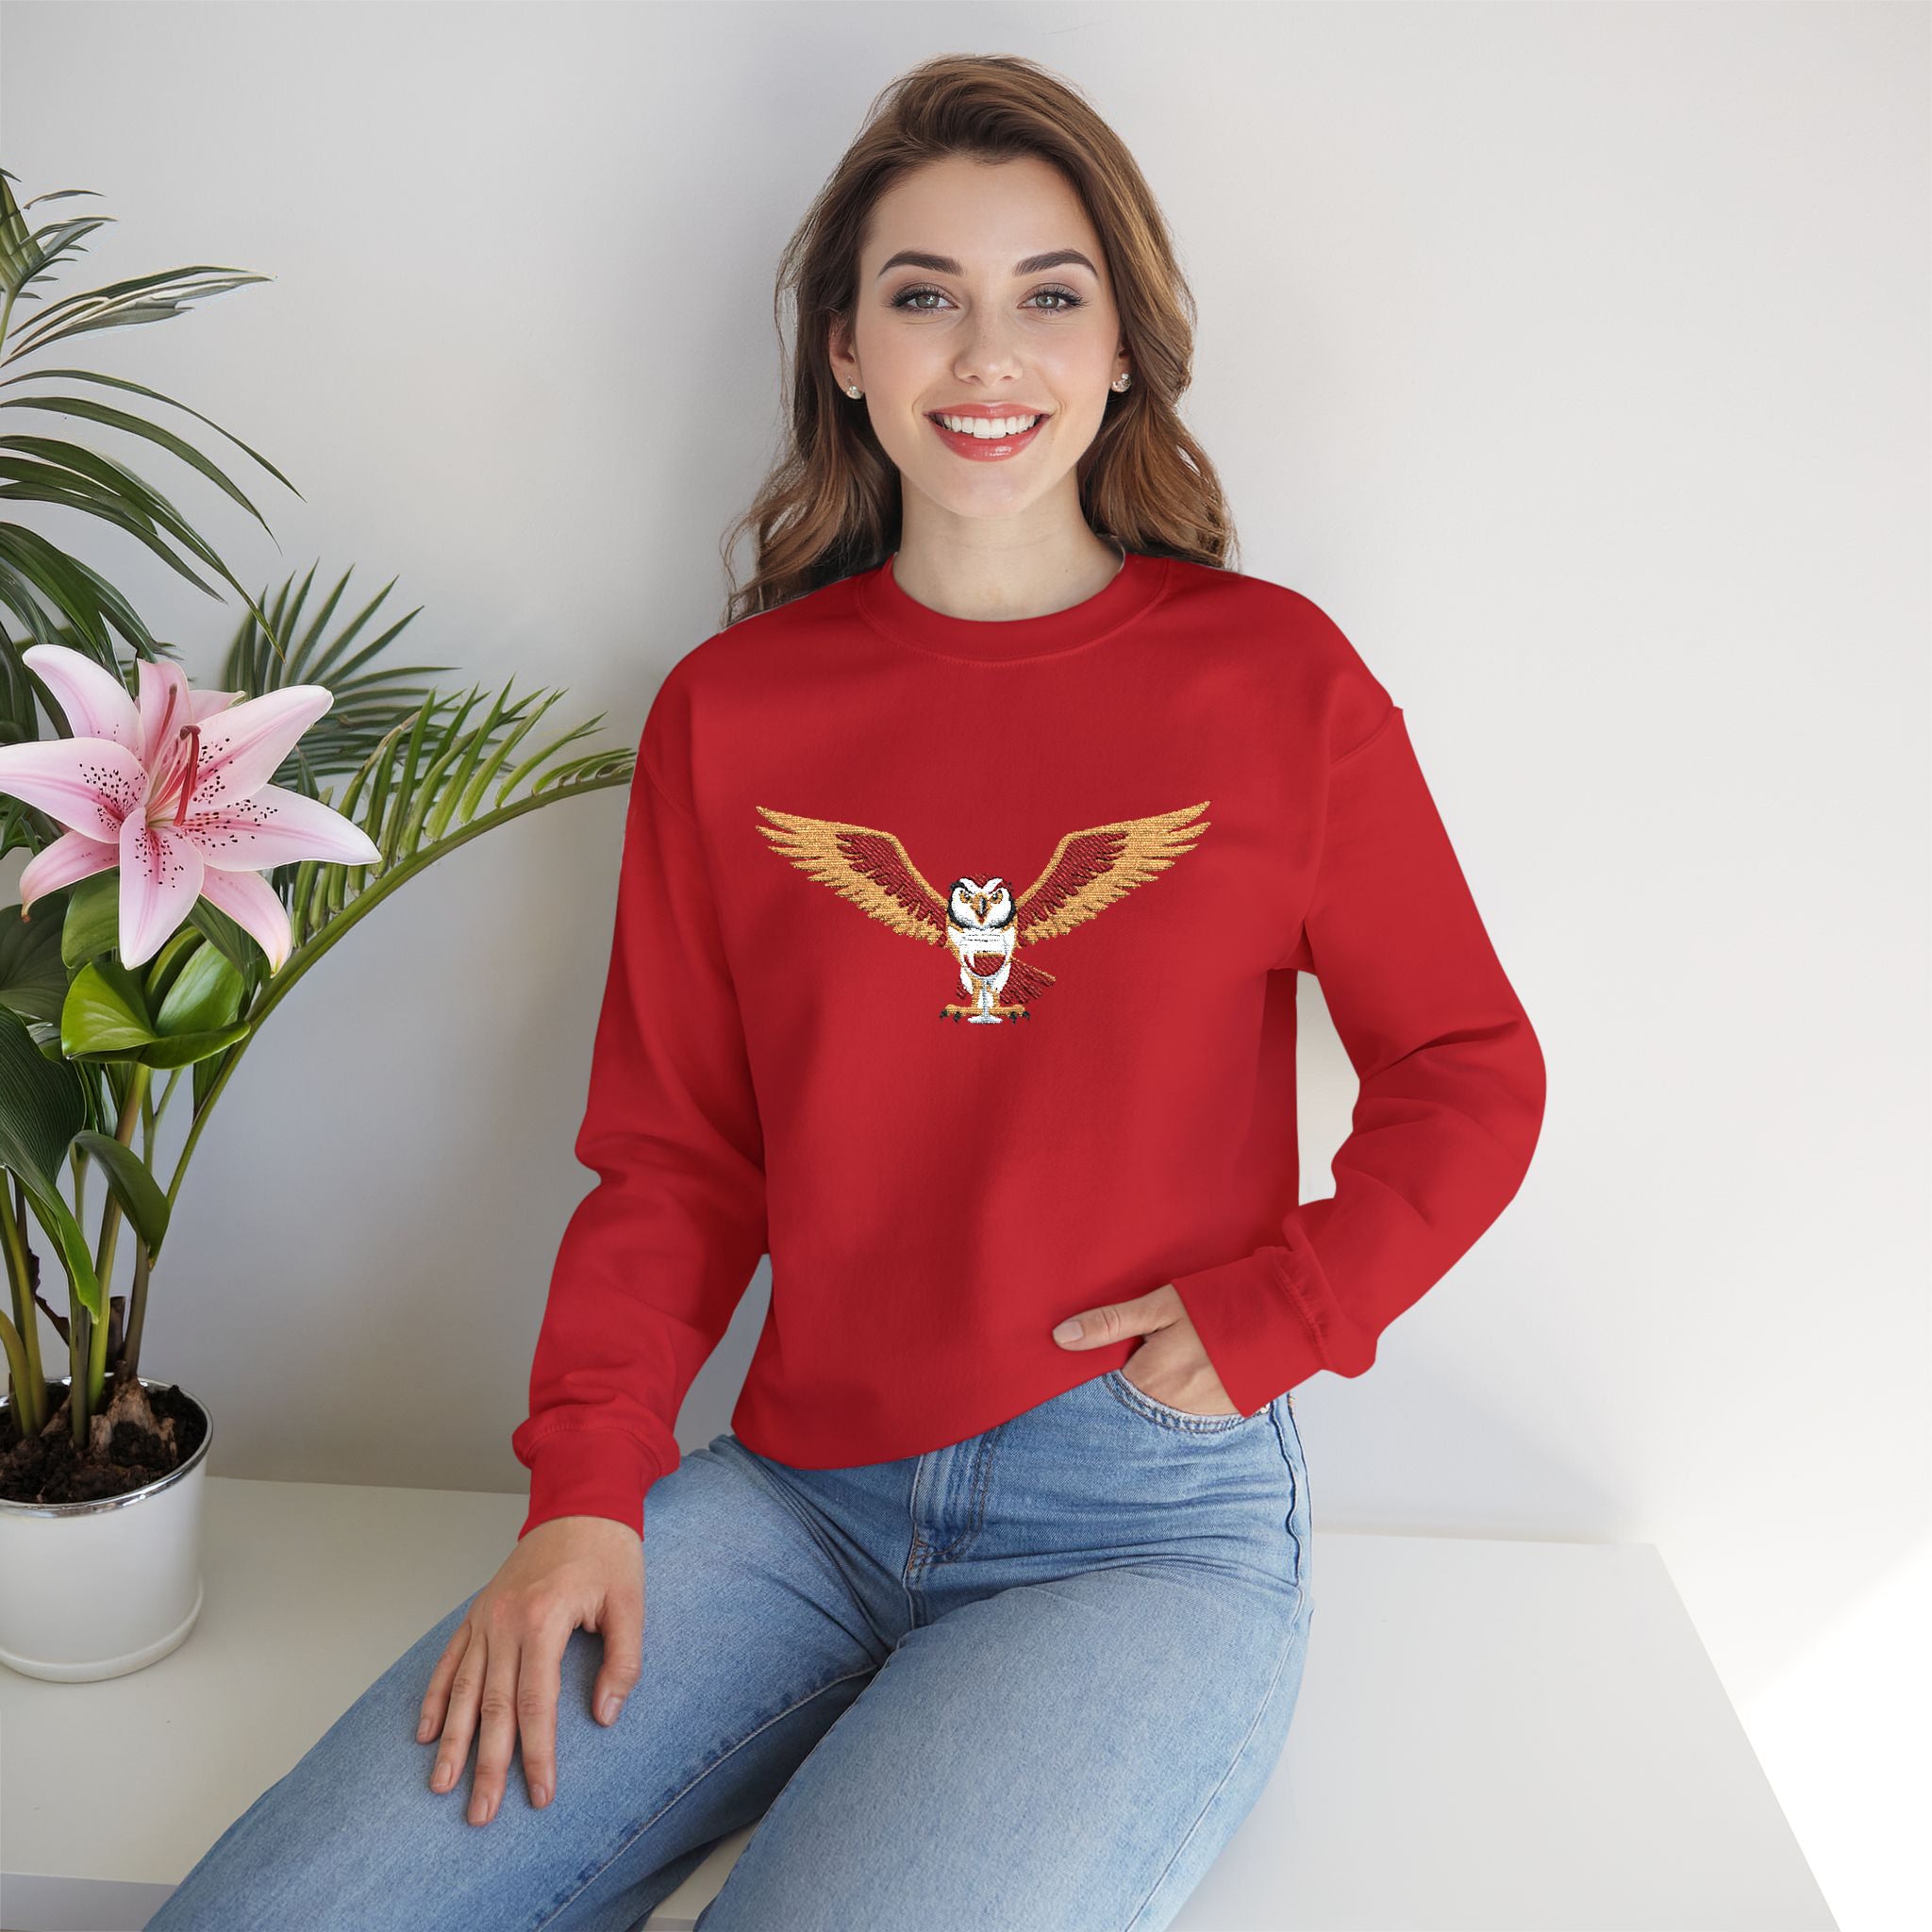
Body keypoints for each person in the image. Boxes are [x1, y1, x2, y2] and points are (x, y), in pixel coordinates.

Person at [146, 51, 1545, 1932]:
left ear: (1123, 347)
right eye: (923, 295)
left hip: (1136, 1523)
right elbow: (675, 1160)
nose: (988, 353)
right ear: (844, 351)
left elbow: (1468, 1068)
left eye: (1050, 294)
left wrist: (1285, 1303)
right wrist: (586, 1486)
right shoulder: (738, 714)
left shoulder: (1271, 685)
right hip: (794, 1495)